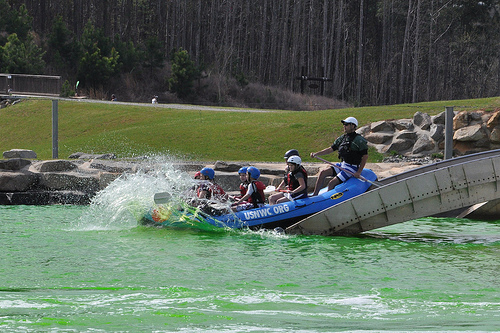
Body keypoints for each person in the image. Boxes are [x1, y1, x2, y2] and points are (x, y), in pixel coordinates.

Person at [310, 116, 368, 196]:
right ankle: (314, 195)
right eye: (344, 124)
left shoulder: (359, 140)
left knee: (331, 183)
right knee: (323, 173)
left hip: (352, 168)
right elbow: (330, 149)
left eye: (346, 124)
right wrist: (317, 154)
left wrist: (359, 172)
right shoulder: (342, 138)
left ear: (353, 126)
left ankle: (328, 201)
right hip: (343, 165)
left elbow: (365, 156)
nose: (344, 126)